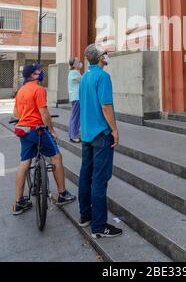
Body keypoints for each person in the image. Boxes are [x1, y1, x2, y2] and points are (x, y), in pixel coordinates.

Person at [12, 63, 76, 215]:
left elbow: (16, 112)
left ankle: (19, 202)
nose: (41, 73)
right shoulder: (39, 89)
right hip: (36, 129)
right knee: (56, 157)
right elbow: (44, 113)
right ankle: (62, 194)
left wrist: (26, 117)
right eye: (39, 71)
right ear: (33, 75)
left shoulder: (21, 90)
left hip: (23, 129)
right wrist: (52, 130)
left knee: (25, 162)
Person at [78, 44, 122, 239]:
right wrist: (114, 130)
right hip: (101, 134)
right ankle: (99, 226)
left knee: (86, 175)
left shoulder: (85, 77)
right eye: (106, 53)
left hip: (87, 133)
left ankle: (85, 215)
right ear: (101, 58)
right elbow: (106, 106)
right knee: (100, 180)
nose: (108, 55)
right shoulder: (103, 77)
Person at [68, 57, 82, 143]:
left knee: (74, 116)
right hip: (77, 97)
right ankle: (74, 135)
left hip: (75, 97)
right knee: (76, 117)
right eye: (77, 61)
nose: (80, 62)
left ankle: (72, 134)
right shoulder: (74, 72)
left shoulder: (74, 72)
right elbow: (83, 81)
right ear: (73, 64)